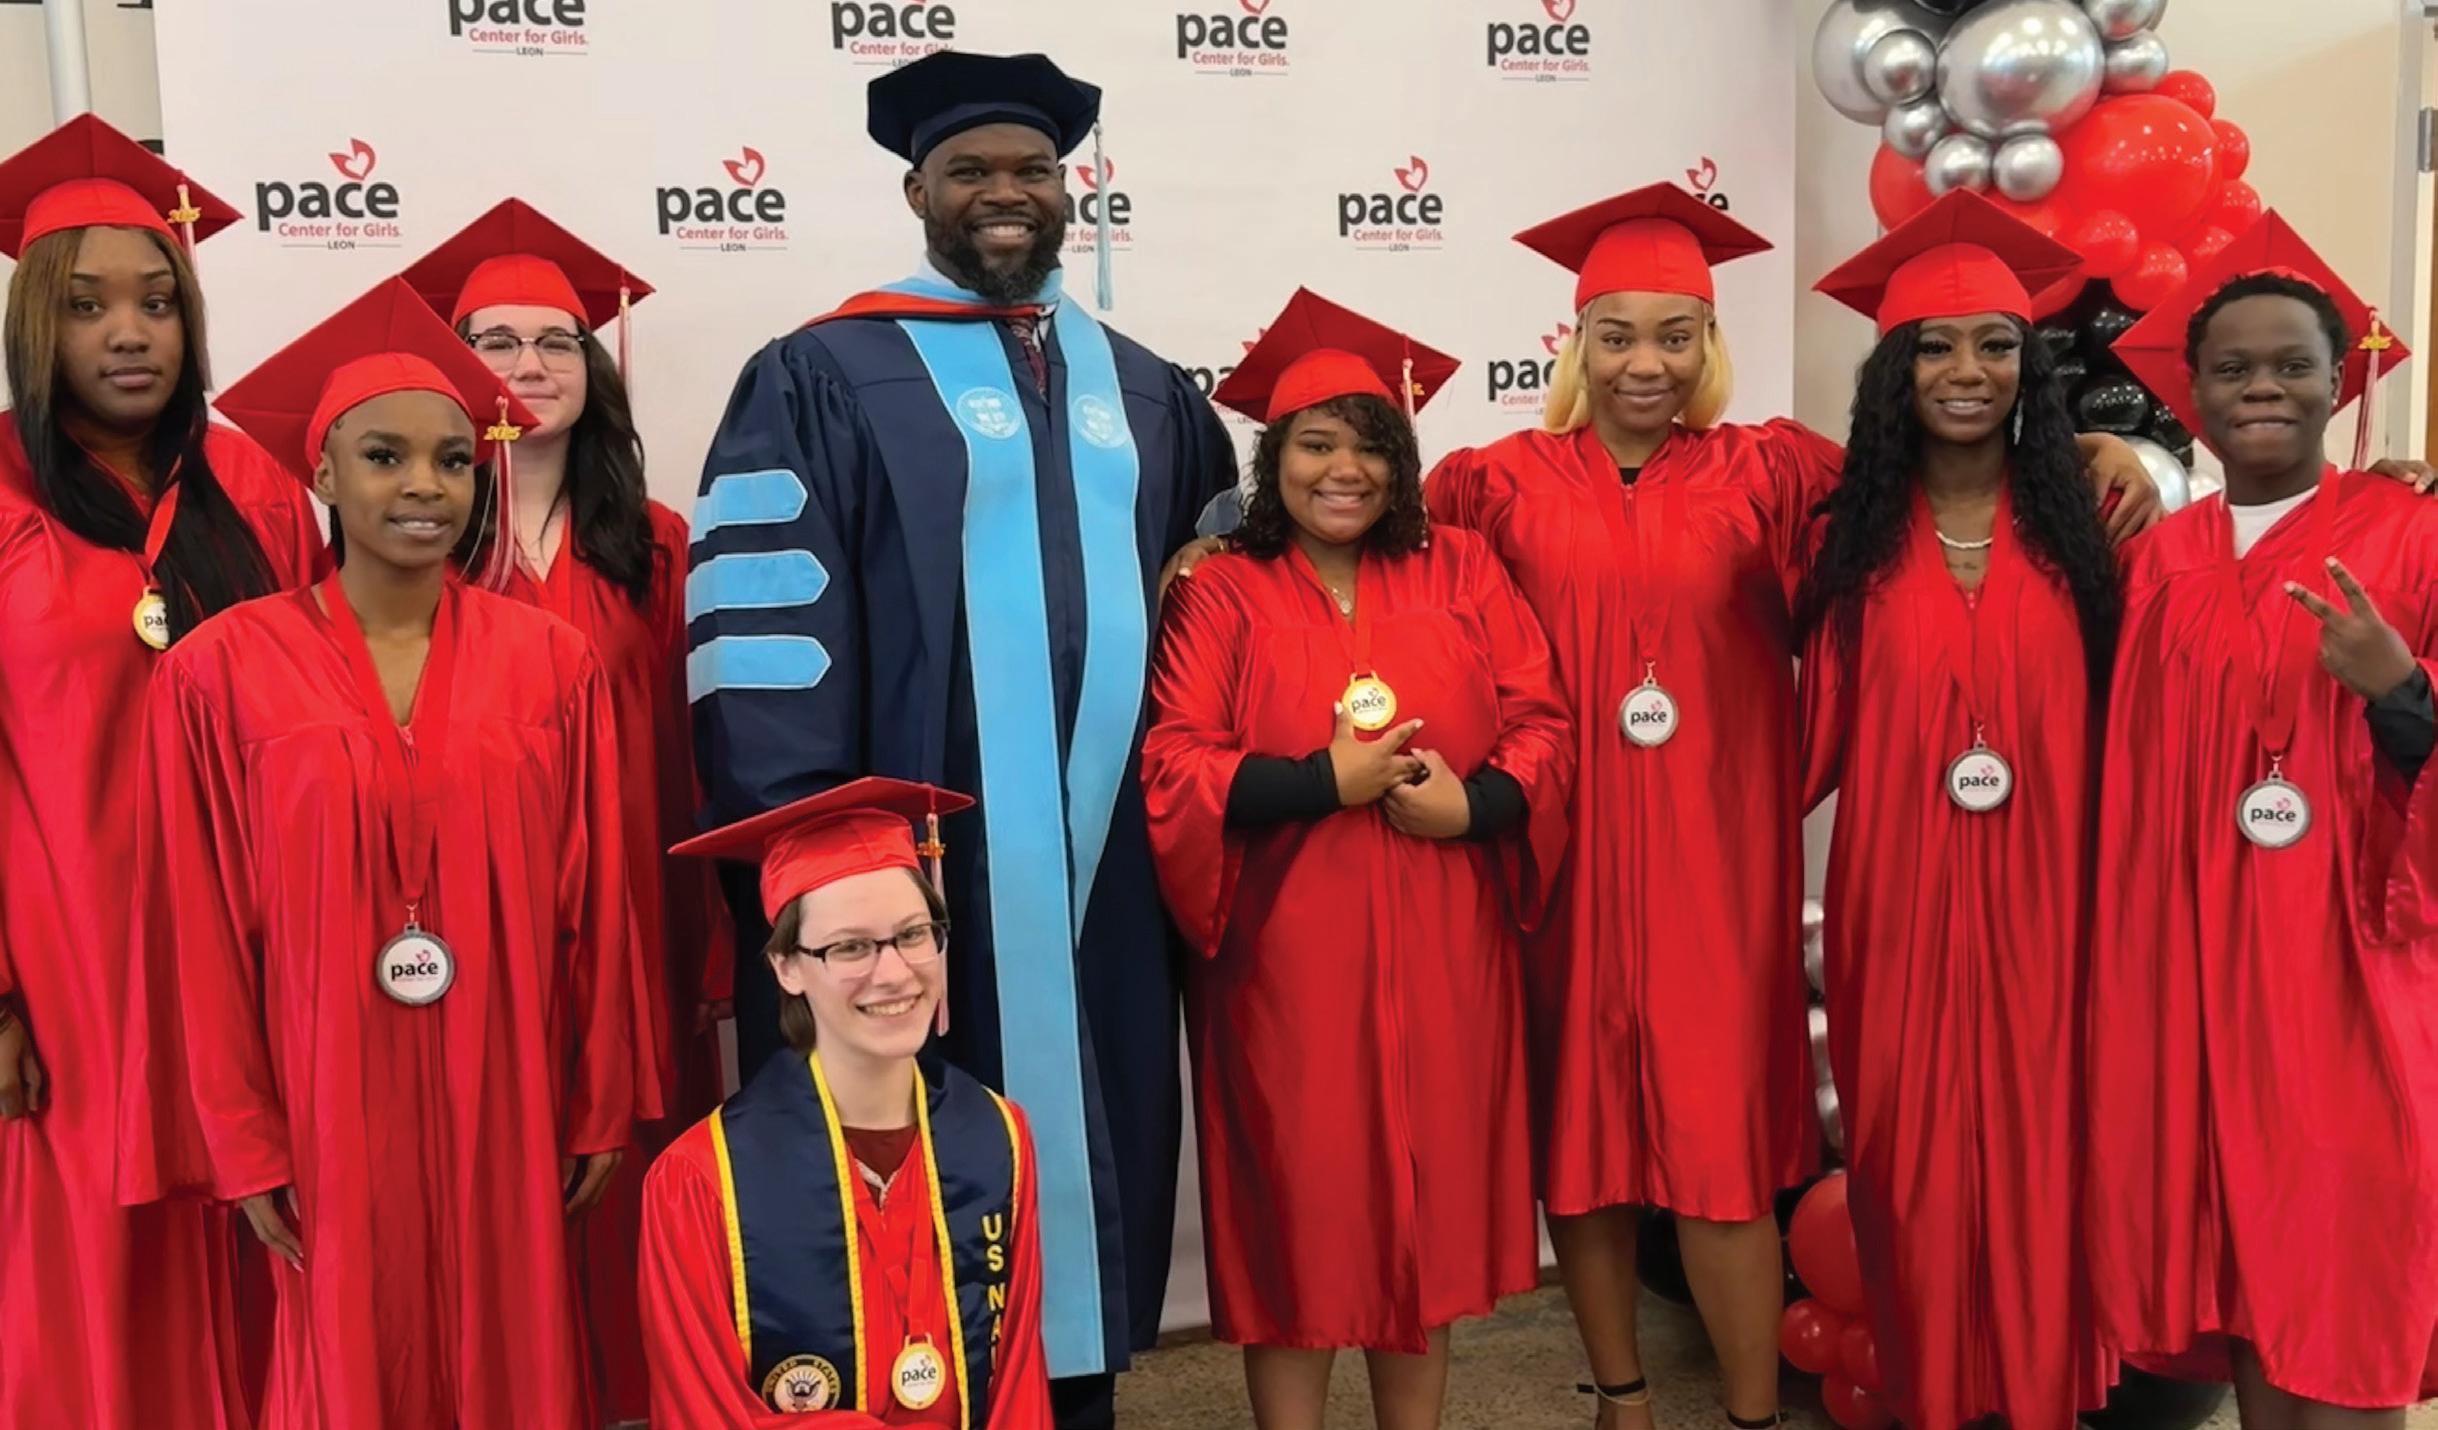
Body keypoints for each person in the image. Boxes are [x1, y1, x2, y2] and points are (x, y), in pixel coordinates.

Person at [1413, 182, 2159, 1430]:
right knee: (1582, 1154)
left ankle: (1750, 1412)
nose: (1644, 362)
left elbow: (1927, 475)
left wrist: (2097, 444)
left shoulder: (1769, 469)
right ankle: (1620, 1399)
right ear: (1575, 343)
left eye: (1675, 335)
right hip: (1561, 861)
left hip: (1717, 864)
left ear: (1708, 344)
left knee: (1716, 1157)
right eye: (1615, 334)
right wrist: (1223, 538)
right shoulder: (1491, 483)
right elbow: (1372, 553)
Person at [686, 48, 1236, 1422]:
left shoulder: (1149, 391)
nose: (1005, 193)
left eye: (1031, 171)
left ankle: (1078, 1394)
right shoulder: (819, 374)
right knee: (893, 1175)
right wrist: (829, 872)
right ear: (916, 191)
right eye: (969, 171)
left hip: (1107, 880)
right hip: (907, 878)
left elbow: (1213, 623)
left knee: (1095, 1148)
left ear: (1068, 192)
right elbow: (766, 640)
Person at [116, 278, 641, 1429]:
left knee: (513, 1340)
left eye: (453, 460)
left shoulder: (551, 664)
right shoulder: (220, 672)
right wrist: (243, 1136)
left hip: (507, 1078)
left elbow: (595, 903)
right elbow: (199, 926)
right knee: (345, 1345)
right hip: (320, 1089)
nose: (423, 486)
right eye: (384, 456)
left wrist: (598, 1096)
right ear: (322, 473)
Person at [1140, 291, 1574, 1430]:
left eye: (1370, 445)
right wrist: (1319, 783)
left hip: (1444, 943)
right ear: (1273, 457)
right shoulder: (1221, 588)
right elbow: (1174, 762)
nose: (1345, 470)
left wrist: (1474, 807)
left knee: (1422, 1219)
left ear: (1401, 460)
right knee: (1299, 1218)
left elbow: (1543, 722)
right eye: (1316, 444)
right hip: (1286, 965)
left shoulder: (1462, 568)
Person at [0, 112, 324, 1430]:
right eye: (87, 307)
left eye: (157, 301)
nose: (129, 333)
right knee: (100, 1240)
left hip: (255, 936)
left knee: (273, 1217)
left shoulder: (253, 482)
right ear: (36, 324)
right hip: (71, 951)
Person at [2090, 213, 2438, 1428]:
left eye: (2291, 363)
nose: (2261, 387)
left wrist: (2401, 691)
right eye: (2231, 367)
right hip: (2191, 964)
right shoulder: (2157, 560)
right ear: (2190, 389)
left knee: (2344, 1257)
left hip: (2346, 966)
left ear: (2337, 380)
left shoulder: (2409, 533)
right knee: (2244, 1256)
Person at [1793, 190, 2123, 1430]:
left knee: (2047, 1152)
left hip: (2055, 903)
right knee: (1913, 1163)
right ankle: (1931, 1397)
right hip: (1897, 906)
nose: (1966, 370)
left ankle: (2042, 1400)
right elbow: (1794, 733)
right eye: (1933, 346)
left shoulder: (2095, 529)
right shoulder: (1846, 542)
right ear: (1895, 372)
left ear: (2030, 364)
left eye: (1994, 343)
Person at [401, 197, 724, 1423]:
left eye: (555, 342)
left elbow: (696, 751)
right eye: (496, 341)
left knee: (635, 1143)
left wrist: (707, 923)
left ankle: (640, 1388)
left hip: (637, 895)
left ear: (595, 369)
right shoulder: (413, 542)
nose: (529, 365)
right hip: (471, 899)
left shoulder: (655, 543)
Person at [640, 777, 1051, 1428]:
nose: (894, 973)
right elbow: (704, 1414)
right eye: (851, 946)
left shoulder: (1000, 1138)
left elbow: (1020, 1389)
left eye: (914, 934)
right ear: (786, 967)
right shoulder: (699, 1182)